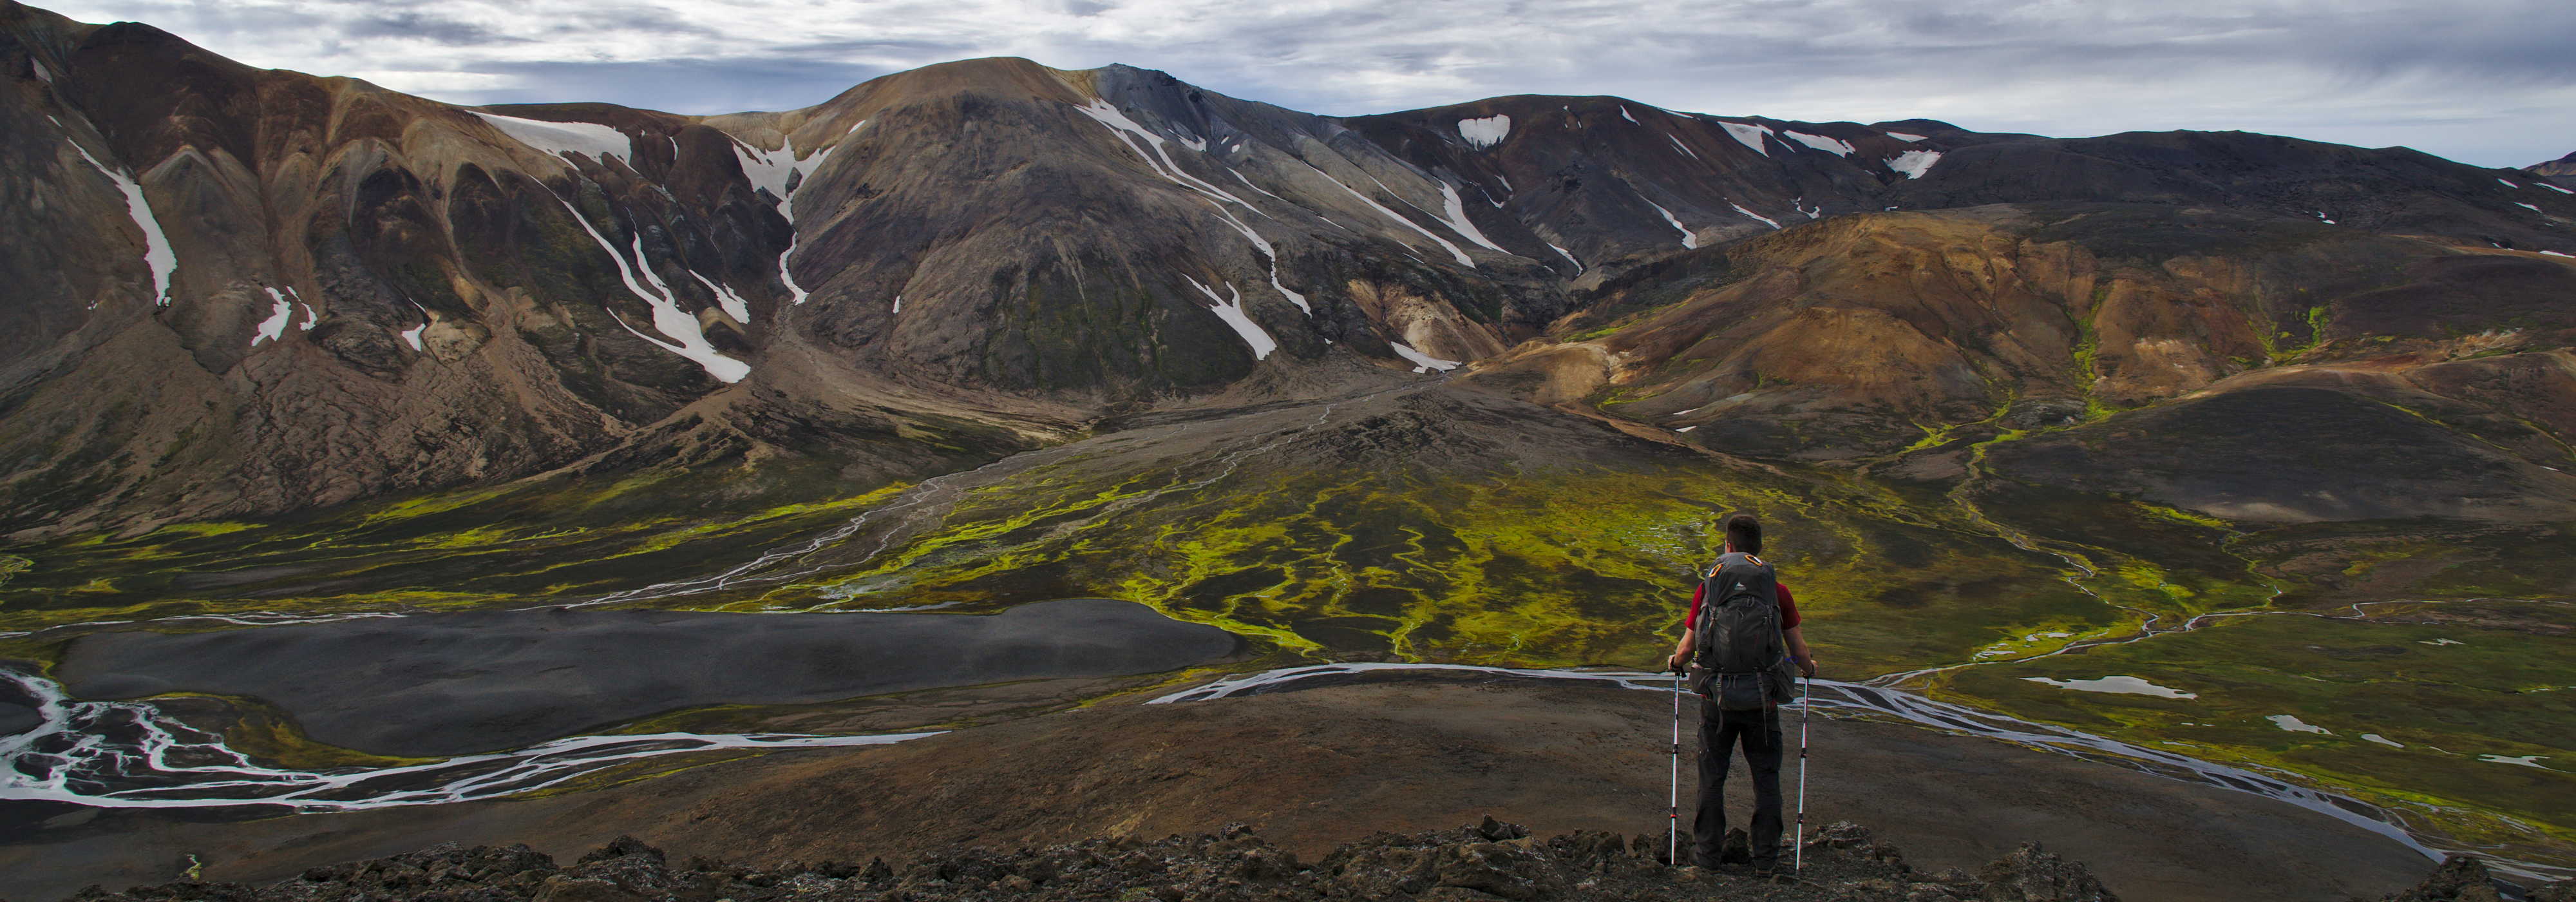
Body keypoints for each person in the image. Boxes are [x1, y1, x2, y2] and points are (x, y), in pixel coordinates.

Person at [1665, 513, 1817, 874]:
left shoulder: (1710, 588)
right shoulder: (1776, 591)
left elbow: (1688, 647)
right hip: (1763, 701)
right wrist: (1809, 669)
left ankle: (1707, 858)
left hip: (1716, 700)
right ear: (1759, 550)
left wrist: (1675, 661)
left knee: (1712, 778)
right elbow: (1797, 648)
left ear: (1728, 547)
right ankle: (1766, 861)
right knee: (1766, 778)